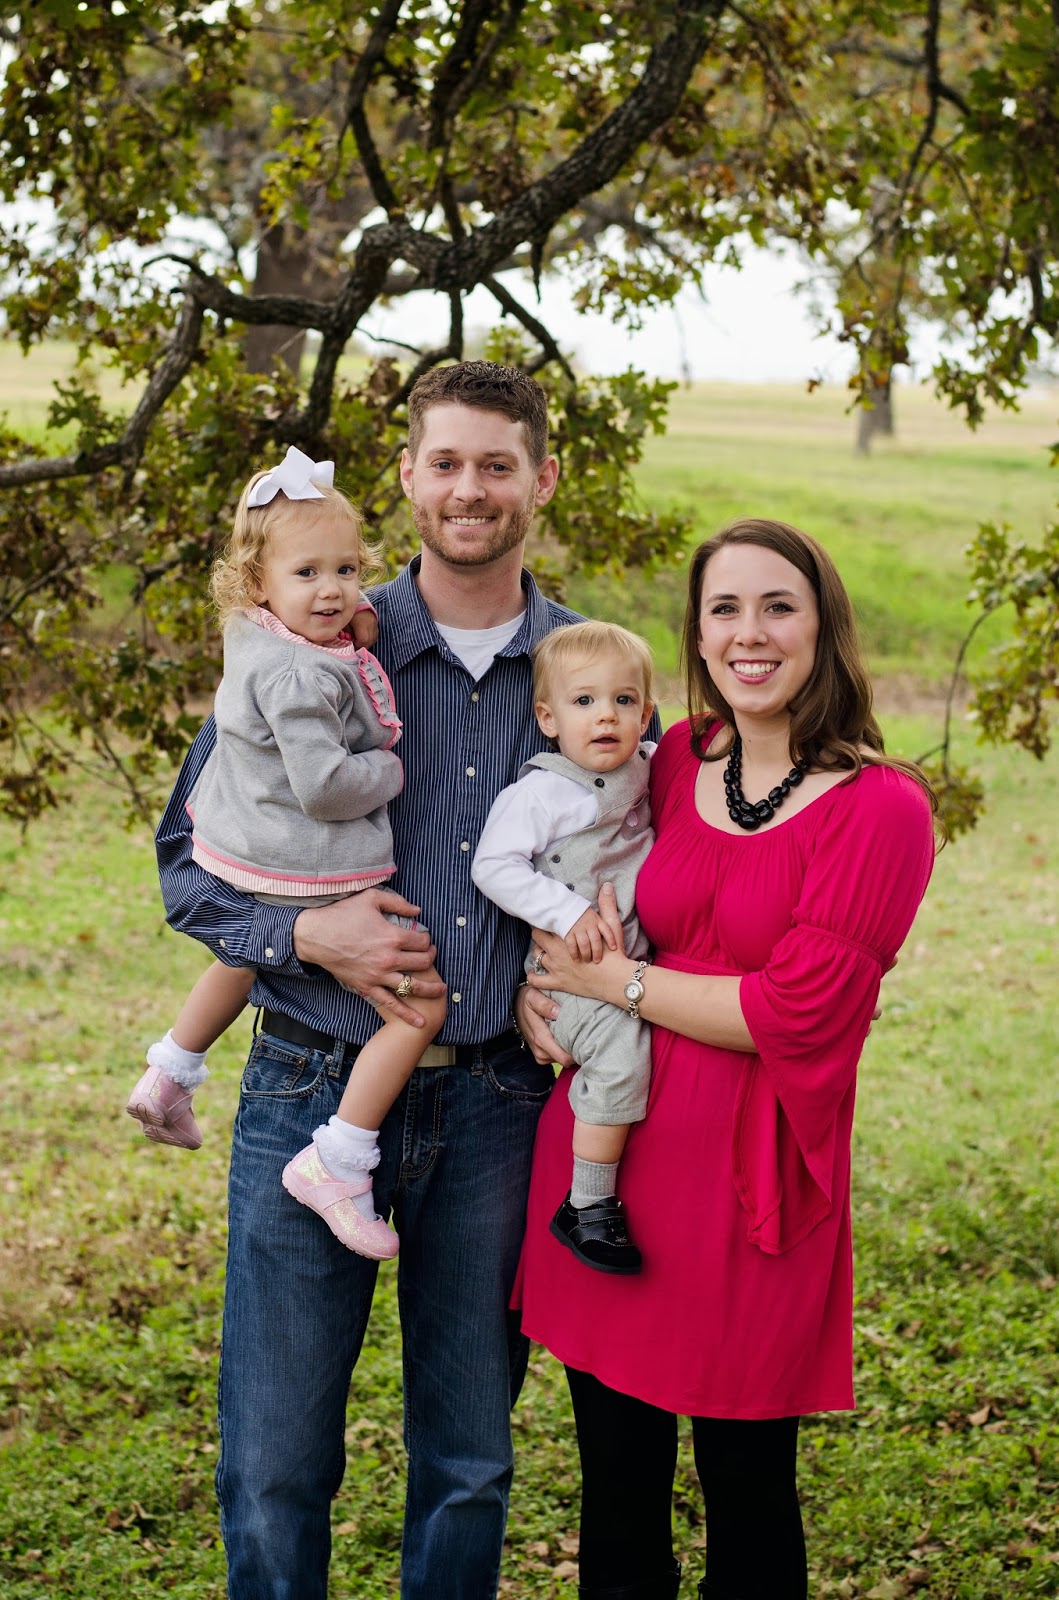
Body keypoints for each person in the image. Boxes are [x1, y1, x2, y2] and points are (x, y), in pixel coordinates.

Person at [155, 360, 594, 1600]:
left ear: (542, 480)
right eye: (445, 462)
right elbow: (188, 866)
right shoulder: (315, 634)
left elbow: (633, 864)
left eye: (498, 464)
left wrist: (562, 972)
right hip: (311, 1079)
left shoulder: (584, 664)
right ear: (408, 476)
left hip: (499, 1104)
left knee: (469, 1462)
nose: (470, 489)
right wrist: (310, 937)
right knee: (274, 1462)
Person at [514, 518, 938, 1600]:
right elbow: (568, 872)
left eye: (777, 606)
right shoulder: (671, 758)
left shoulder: (883, 810)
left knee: (748, 1492)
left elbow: (797, 1009)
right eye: (724, 609)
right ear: (697, 636)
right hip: (610, 1173)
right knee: (616, 1489)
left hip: (754, 1189)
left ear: (824, 628)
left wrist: (614, 985)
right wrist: (536, 976)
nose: (750, 633)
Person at [128, 445, 446, 1260]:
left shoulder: (256, 632)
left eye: (346, 570)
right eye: (308, 573)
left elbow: (328, 624)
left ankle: (171, 1069)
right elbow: (326, 786)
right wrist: (389, 768)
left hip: (246, 842)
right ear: (256, 582)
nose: (333, 590)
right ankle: (339, 1156)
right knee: (422, 1007)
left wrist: (348, 625)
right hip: (305, 857)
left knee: (243, 958)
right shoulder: (302, 677)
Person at [472, 620, 656, 1276]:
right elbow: (492, 867)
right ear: (548, 719)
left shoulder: (650, 767)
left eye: (623, 700)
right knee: (622, 1054)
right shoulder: (542, 792)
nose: (605, 715)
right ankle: (587, 1202)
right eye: (584, 701)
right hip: (571, 975)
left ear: (646, 714)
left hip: (628, 965)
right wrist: (565, 910)